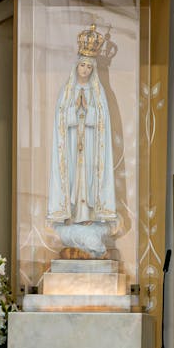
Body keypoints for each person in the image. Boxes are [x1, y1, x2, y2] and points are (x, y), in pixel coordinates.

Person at [47, 26, 118, 257]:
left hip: (89, 148)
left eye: (89, 66)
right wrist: (73, 114)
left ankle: (89, 216)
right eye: (82, 65)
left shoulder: (98, 93)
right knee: (73, 180)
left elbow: (101, 122)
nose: (85, 70)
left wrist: (86, 114)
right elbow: (60, 119)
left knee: (87, 179)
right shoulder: (67, 91)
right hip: (71, 147)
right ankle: (74, 215)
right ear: (76, 66)